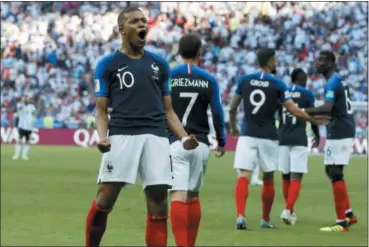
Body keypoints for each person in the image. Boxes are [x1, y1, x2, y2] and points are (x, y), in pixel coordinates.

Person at [85, 7, 199, 247]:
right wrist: (102, 136)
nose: (141, 25)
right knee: (105, 200)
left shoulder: (159, 64)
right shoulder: (107, 64)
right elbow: (101, 110)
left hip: (156, 137)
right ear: (121, 29)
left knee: (158, 204)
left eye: (143, 21)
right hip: (122, 135)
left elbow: (169, 112)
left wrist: (183, 137)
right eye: (134, 21)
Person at [229, 48, 329, 230]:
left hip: (247, 134)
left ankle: (240, 216)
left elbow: (232, 108)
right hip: (268, 136)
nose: (276, 63)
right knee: (268, 178)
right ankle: (265, 219)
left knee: (244, 175)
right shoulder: (277, 84)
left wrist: (234, 128)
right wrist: (312, 119)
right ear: (268, 61)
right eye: (274, 60)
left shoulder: (243, 80)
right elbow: (293, 109)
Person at [169, 33, 226, 247]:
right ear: (199, 53)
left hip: (176, 142)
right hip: (201, 143)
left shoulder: (169, 76)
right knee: (193, 197)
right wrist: (220, 140)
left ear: (179, 52)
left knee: (177, 197)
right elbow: (218, 113)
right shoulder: (209, 79)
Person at [304, 51, 357, 232]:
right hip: (343, 128)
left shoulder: (333, 81)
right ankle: (349, 214)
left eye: (321, 60)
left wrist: (304, 111)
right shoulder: (336, 80)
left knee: (335, 172)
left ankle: (341, 222)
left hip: (340, 131)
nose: (317, 63)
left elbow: (327, 108)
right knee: (332, 170)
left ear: (330, 63)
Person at [278, 68, 320, 225]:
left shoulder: (282, 91)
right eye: (305, 78)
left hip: (282, 137)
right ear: (300, 79)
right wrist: (317, 133)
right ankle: (288, 209)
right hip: (299, 138)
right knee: (296, 176)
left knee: (285, 175)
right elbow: (312, 115)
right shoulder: (307, 94)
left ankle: (290, 211)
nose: (307, 80)